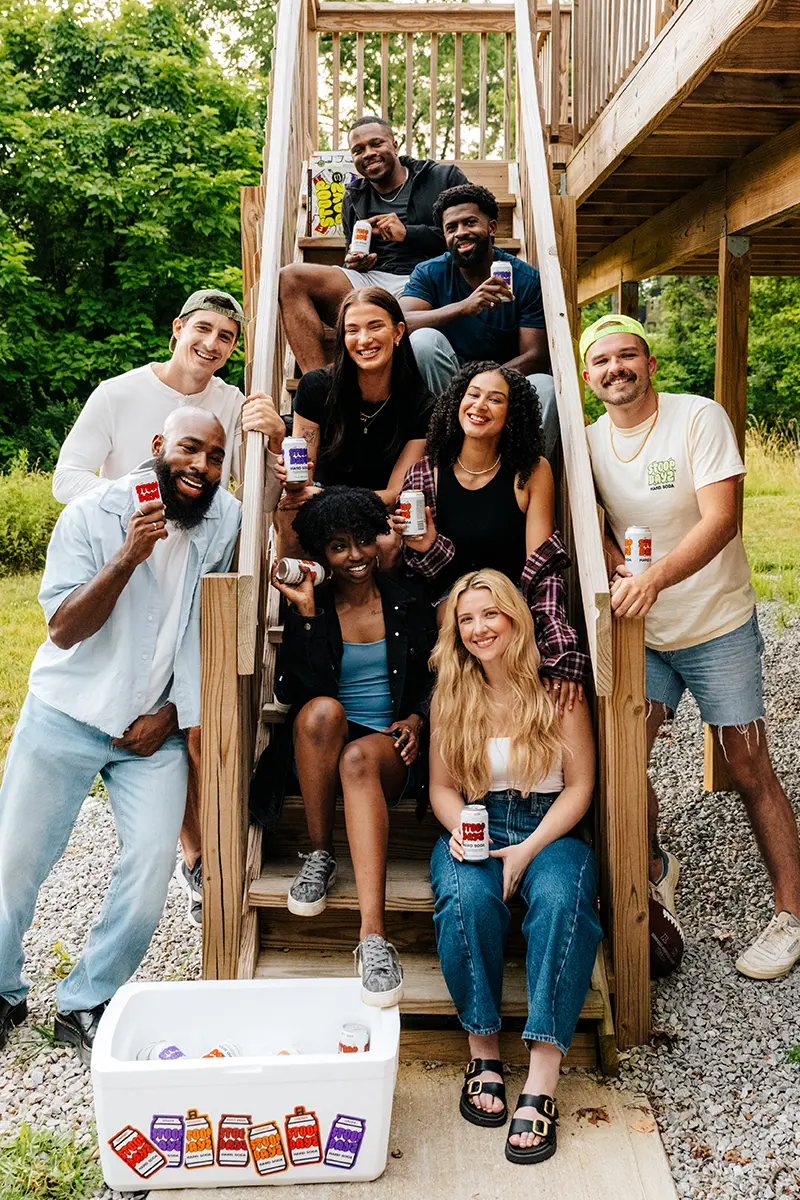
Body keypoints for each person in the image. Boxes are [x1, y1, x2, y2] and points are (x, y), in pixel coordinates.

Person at [0, 409, 241, 1062]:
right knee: (15, 863)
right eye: (189, 449)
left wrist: (175, 712)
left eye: (215, 457)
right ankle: (3, 990)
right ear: (158, 446)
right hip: (67, 714)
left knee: (149, 870)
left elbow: (205, 622)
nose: (201, 466)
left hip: (153, 732)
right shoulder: (91, 516)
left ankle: (87, 999)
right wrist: (130, 555)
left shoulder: (223, 519)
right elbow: (63, 629)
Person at [52, 288, 283, 927]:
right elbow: (66, 478)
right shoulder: (118, 394)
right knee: (141, 710)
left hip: (194, 571)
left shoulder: (232, 402)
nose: (212, 345)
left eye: (227, 337)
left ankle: (211, 854)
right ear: (178, 329)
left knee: (198, 720)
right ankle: (188, 849)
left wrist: (275, 433)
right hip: (126, 559)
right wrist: (139, 502)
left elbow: (243, 487)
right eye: (202, 329)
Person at [582, 313, 800, 979]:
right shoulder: (588, 441)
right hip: (642, 633)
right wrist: (618, 558)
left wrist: (652, 579)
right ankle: (654, 867)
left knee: (748, 762)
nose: (615, 369)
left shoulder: (697, 417)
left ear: (650, 364)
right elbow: (596, 520)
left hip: (715, 621)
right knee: (624, 758)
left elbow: (723, 519)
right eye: (602, 361)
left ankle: (791, 915)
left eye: (627, 356)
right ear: (588, 378)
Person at [428, 569, 600, 1164]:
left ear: (515, 618)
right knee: (466, 898)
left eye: (490, 614)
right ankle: (484, 1054)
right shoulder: (452, 694)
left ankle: (543, 1077)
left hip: (549, 825)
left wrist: (527, 850)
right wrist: (462, 830)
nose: (479, 628)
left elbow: (580, 786)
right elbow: (441, 787)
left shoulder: (557, 689)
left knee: (560, 899)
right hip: (477, 821)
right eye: (466, 619)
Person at [251, 487, 438, 1006]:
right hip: (324, 747)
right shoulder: (314, 605)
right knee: (322, 711)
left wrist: (419, 717)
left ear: (377, 539)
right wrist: (308, 615)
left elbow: (437, 674)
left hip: (387, 748)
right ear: (322, 554)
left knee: (358, 758)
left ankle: (373, 938)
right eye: (338, 546)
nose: (355, 555)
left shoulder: (408, 600)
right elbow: (294, 692)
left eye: (362, 541)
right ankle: (320, 853)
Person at [393, 361, 588, 705]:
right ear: (457, 403)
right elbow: (418, 577)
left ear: (511, 416)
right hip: (449, 604)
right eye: (473, 395)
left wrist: (558, 649)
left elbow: (542, 569)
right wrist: (428, 547)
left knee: (500, 622)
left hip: (510, 598)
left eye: (495, 400)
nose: (480, 406)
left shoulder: (531, 472)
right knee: (459, 614)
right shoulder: (425, 473)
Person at [279, 117, 467, 372]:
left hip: (428, 280)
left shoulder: (441, 178)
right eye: (358, 150)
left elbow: (471, 239)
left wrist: (408, 234)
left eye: (376, 144)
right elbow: (352, 249)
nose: (368, 153)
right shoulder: (354, 195)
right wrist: (356, 262)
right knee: (290, 277)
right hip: (374, 280)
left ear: (395, 145)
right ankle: (317, 384)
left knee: (392, 320)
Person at [400, 184, 558, 461]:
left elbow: (535, 356)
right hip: (448, 392)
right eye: (451, 228)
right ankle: (449, 448)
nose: (460, 232)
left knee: (546, 386)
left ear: (492, 227)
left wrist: (481, 385)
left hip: (505, 386)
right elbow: (399, 323)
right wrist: (464, 308)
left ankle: (525, 473)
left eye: (470, 222)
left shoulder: (525, 279)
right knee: (423, 341)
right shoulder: (429, 272)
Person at [276, 287, 433, 564]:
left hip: (377, 509)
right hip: (319, 502)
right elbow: (303, 477)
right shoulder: (315, 388)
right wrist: (291, 477)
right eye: (352, 330)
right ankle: (296, 591)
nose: (364, 339)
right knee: (289, 512)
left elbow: (394, 494)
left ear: (398, 332)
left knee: (389, 540)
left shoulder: (421, 405)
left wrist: (330, 496)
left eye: (375, 326)